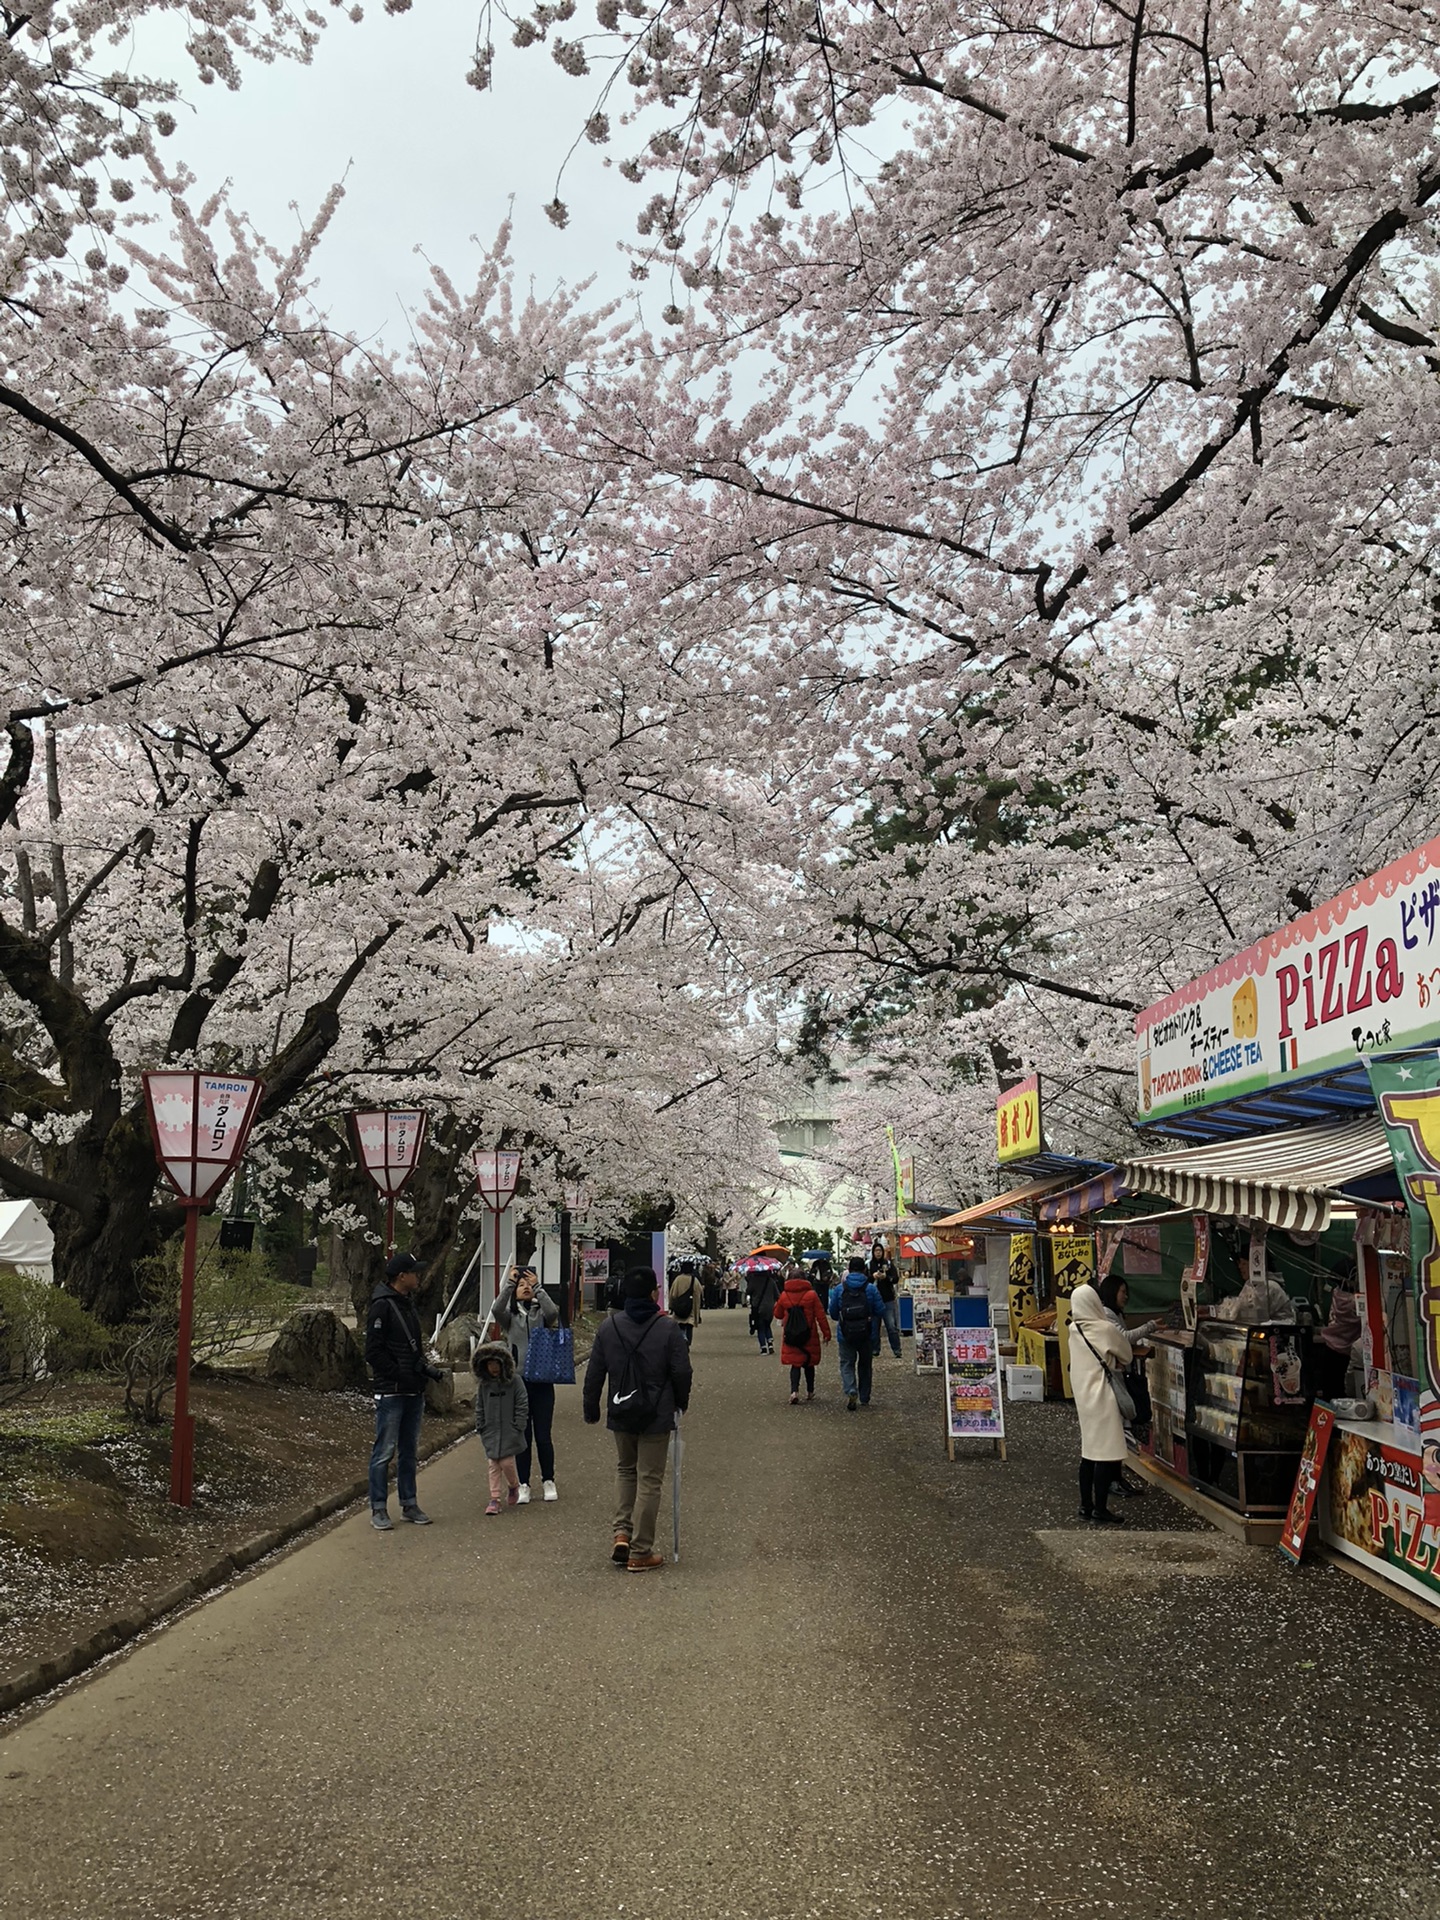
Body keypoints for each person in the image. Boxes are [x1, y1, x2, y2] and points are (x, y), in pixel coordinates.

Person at [583, 1268, 693, 1571]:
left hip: (622, 1410)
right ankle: (641, 1550)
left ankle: (621, 1532)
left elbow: (594, 1373)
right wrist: (679, 1402)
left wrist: (591, 1406)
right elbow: (682, 1371)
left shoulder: (609, 1327)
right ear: (653, 1293)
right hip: (656, 1413)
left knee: (625, 1470)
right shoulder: (667, 1328)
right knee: (649, 1479)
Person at [365, 1250, 441, 1530]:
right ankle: (378, 1508)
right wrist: (400, 1375)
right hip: (392, 1391)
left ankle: (409, 1503)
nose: (418, 1276)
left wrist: (420, 1372)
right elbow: (373, 1352)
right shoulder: (381, 1306)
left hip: (412, 1391)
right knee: (384, 1451)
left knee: (409, 1451)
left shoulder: (408, 1304)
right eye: (414, 1272)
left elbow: (412, 1348)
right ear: (402, 1276)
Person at [492, 1263, 562, 1504]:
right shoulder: (510, 1317)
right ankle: (523, 1484)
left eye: (527, 1285)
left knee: (543, 1435)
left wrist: (539, 1288)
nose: (525, 1288)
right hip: (518, 1383)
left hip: (542, 1381)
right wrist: (509, 1283)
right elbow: (496, 1308)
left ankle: (548, 1480)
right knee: (523, 1435)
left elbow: (553, 1313)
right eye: (521, 1286)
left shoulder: (540, 1313)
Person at [1068, 1279, 1134, 1525]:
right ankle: (1101, 1509)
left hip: (1084, 1399)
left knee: (1089, 1454)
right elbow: (1125, 1354)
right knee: (1107, 1453)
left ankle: (1086, 1505)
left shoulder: (1074, 1330)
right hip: (1103, 1397)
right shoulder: (1105, 1329)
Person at [472, 1336, 530, 1515]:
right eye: (490, 1364)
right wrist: (480, 1424)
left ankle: (514, 1485)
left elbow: (522, 1402)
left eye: (497, 1364)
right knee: (493, 1464)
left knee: (506, 1463)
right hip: (490, 1430)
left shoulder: (515, 1382)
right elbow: (480, 1406)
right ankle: (494, 1498)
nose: (494, 1368)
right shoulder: (484, 1386)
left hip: (509, 1430)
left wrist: (518, 1425)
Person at [829, 1256, 885, 1411]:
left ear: (849, 1268)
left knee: (847, 1363)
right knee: (865, 1365)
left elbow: (833, 1312)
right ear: (864, 1270)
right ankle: (865, 1397)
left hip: (845, 1333)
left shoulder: (840, 1289)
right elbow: (880, 1310)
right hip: (867, 1333)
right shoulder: (871, 1288)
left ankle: (851, 1390)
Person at [775, 1263, 830, 1402]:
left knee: (795, 1364)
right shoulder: (811, 1294)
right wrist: (826, 1333)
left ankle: (794, 1391)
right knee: (809, 1363)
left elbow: (778, 1314)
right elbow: (820, 1315)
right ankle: (810, 1391)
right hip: (808, 1333)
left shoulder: (784, 1295)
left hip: (791, 1334)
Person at [1313, 1269, 1361, 1399]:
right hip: (1345, 1350)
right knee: (1342, 1391)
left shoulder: (1337, 1293)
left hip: (1330, 1346)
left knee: (1331, 1392)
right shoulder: (1353, 1302)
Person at [870, 1253, 902, 1359]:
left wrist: (886, 1277)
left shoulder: (888, 1264)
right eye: (876, 1250)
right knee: (874, 1327)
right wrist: (873, 1276)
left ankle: (897, 1349)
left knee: (891, 1326)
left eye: (880, 1250)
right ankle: (875, 1349)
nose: (878, 1253)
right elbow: (865, 1279)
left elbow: (895, 1278)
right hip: (874, 1300)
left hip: (888, 1299)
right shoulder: (870, 1265)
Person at [746, 1263, 782, 1354]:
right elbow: (777, 1295)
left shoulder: (754, 1281)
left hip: (758, 1307)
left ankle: (763, 1348)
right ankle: (770, 1343)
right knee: (767, 1325)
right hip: (770, 1308)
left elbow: (748, 1291)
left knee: (760, 1327)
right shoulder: (771, 1281)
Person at [669, 1260, 701, 1347]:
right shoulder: (694, 1280)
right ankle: (688, 1342)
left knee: (679, 1324)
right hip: (690, 1306)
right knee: (689, 1324)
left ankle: (681, 1340)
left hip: (679, 1306)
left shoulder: (678, 1279)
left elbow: (673, 1294)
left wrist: (671, 1305)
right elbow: (698, 1294)